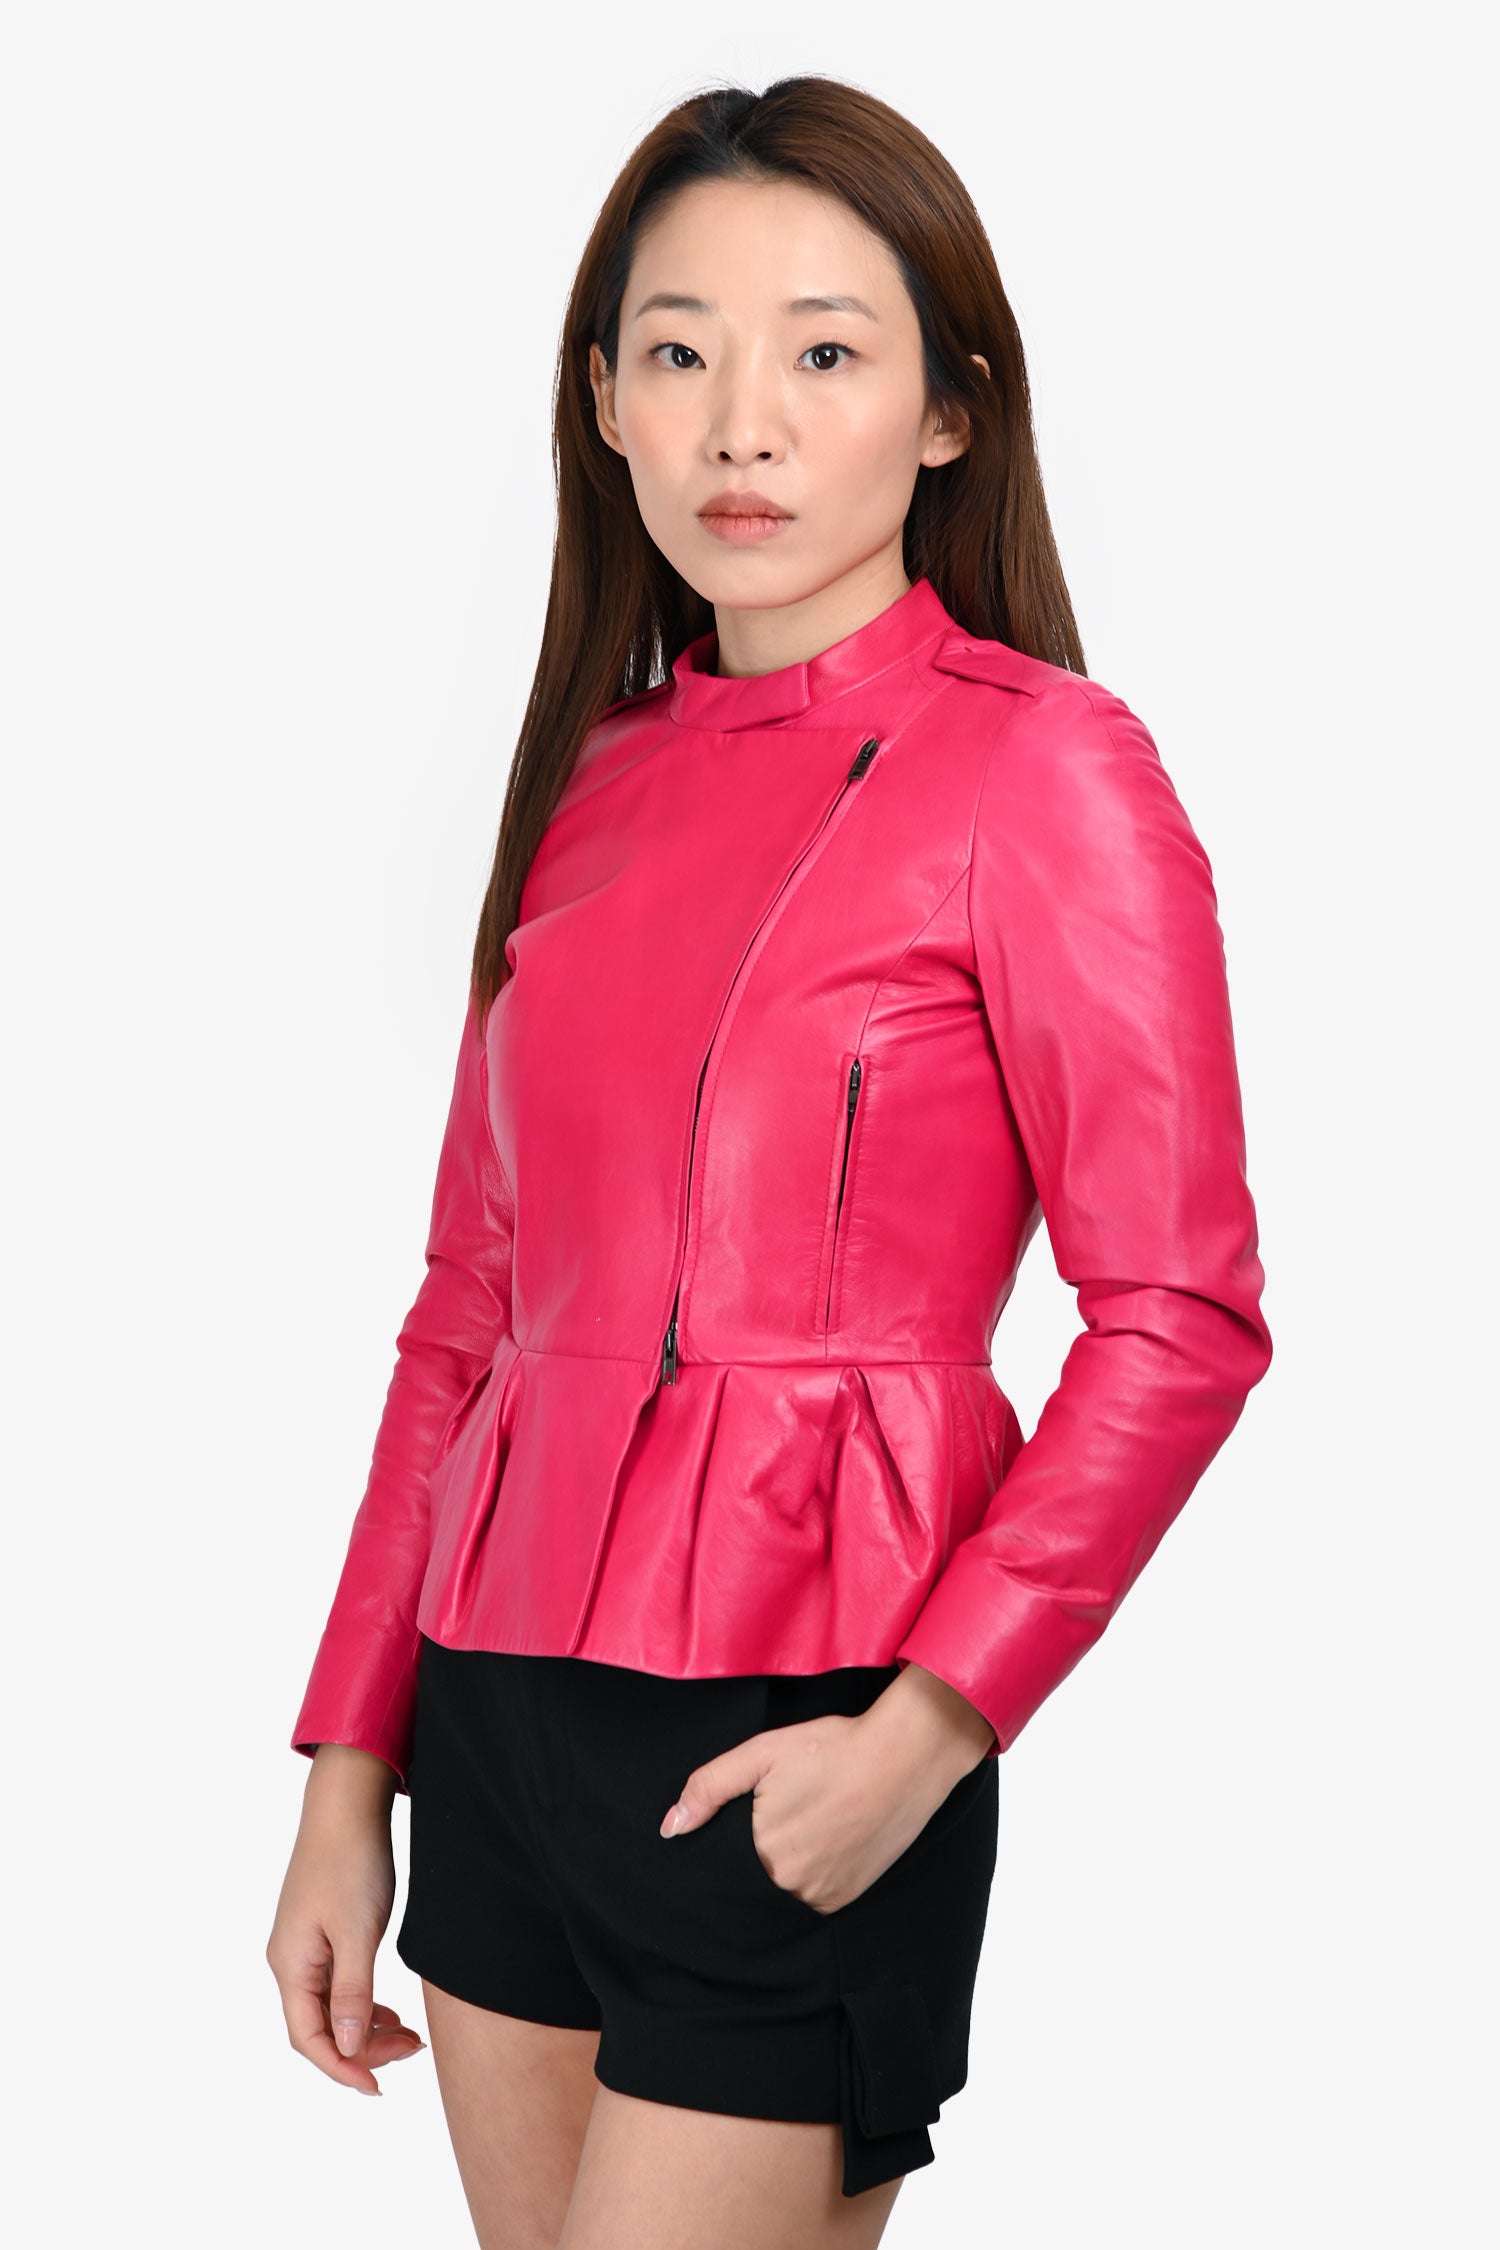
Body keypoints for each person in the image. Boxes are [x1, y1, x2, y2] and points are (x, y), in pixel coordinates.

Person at [267, 75, 1272, 2250]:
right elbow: (468, 1310)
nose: (744, 424)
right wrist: (354, 1769)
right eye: (680, 350)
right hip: (496, 1725)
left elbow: (1179, 1316)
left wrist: (924, 1736)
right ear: (604, 401)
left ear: (947, 411)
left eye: (824, 351)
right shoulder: (589, 775)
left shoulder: (1047, 772)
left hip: (803, 1734)